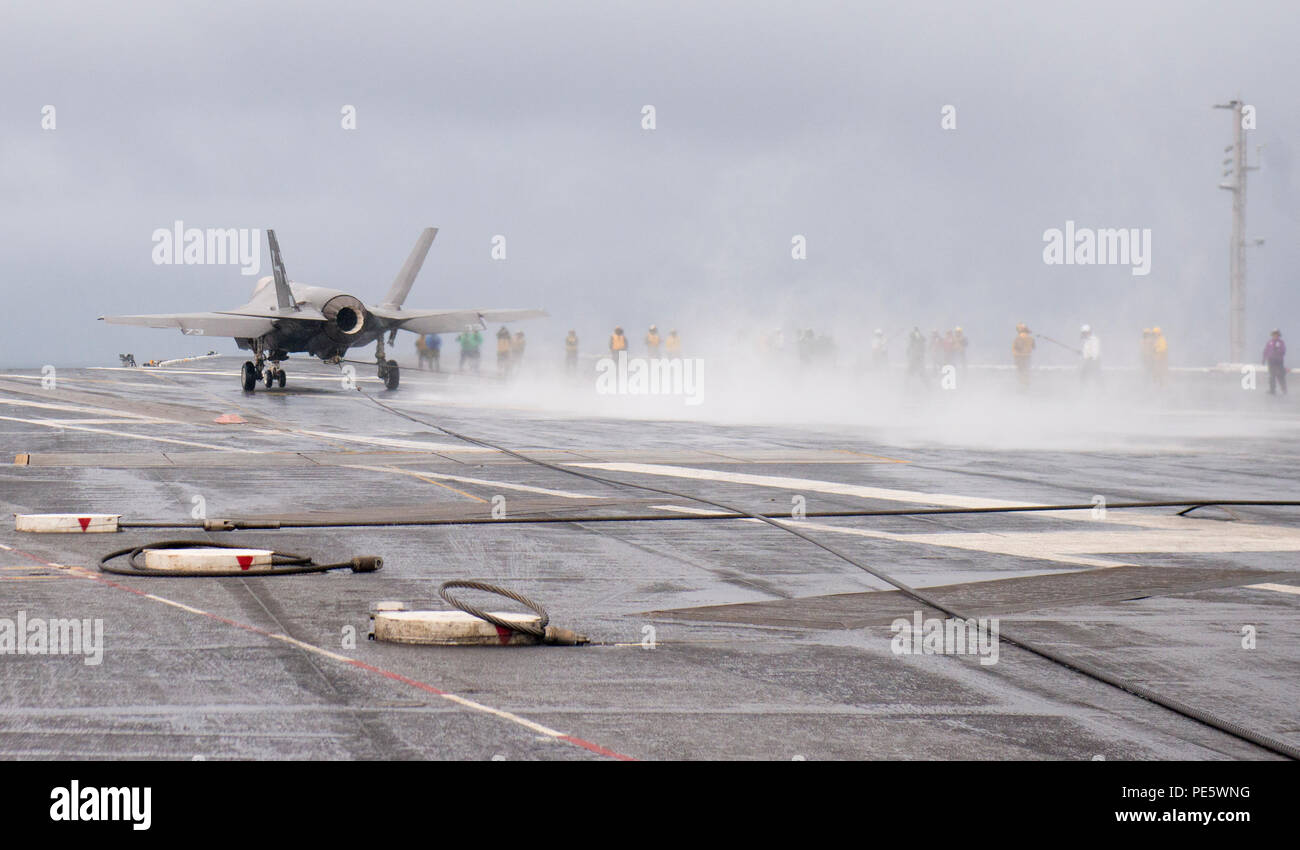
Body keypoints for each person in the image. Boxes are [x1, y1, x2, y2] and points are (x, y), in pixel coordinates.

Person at [1263, 329, 1287, 395]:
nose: (1275, 336)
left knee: (1280, 375)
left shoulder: (1281, 342)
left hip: (1278, 361)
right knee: (1272, 376)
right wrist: (1264, 359)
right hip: (1271, 361)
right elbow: (1266, 351)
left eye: (1276, 334)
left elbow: (1283, 350)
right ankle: (1272, 390)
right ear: (1272, 335)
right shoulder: (1269, 342)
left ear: (1278, 335)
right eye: (1274, 334)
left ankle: (1284, 389)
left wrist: (1278, 352)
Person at [1012, 323, 1035, 388]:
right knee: (1026, 372)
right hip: (1027, 357)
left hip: (1019, 357)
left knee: (1021, 372)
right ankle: (1026, 384)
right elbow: (1033, 347)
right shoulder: (1030, 338)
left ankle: (1022, 385)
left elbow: (1015, 348)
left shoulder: (1018, 338)